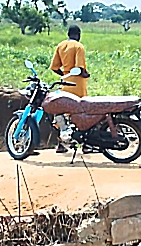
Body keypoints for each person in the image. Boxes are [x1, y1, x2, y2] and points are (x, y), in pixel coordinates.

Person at [50, 25, 90, 153]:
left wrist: (64, 74)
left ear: (68, 34)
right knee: (82, 111)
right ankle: (85, 145)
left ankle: (60, 144)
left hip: (65, 82)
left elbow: (54, 67)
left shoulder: (61, 46)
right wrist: (86, 74)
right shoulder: (78, 47)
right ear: (79, 34)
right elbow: (80, 68)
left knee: (61, 111)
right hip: (77, 84)